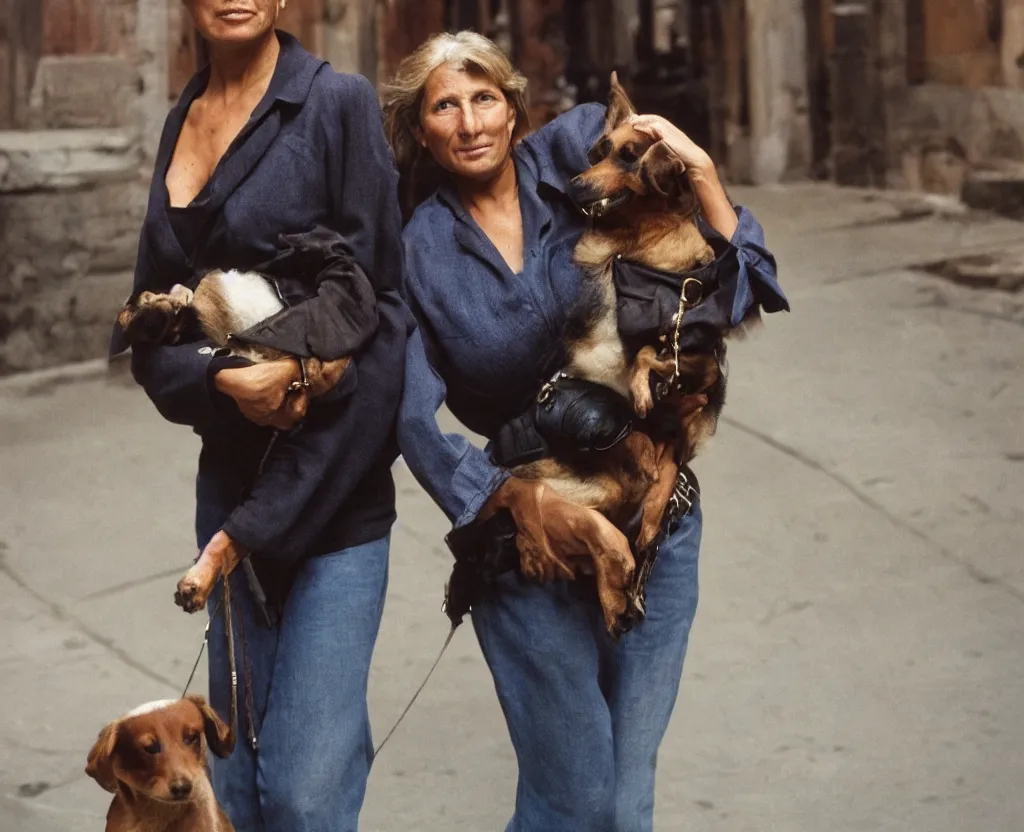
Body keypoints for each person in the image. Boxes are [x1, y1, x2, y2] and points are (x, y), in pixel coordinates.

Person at [384, 31, 786, 832]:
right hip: (533, 535)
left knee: (626, 802)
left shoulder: (578, 178)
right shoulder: (414, 250)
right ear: (419, 129)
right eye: (445, 106)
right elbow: (409, 417)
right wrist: (500, 498)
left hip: (653, 522)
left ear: (513, 106)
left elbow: (732, 292)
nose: (469, 123)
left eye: (485, 98)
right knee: (572, 802)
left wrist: (702, 175)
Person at [110, 2, 409, 830]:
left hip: (336, 500)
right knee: (231, 786)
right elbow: (148, 327)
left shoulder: (335, 103)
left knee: (306, 794)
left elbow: (383, 310)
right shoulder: (183, 118)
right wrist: (219, 382)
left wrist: (296, 385)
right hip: (227, 487)